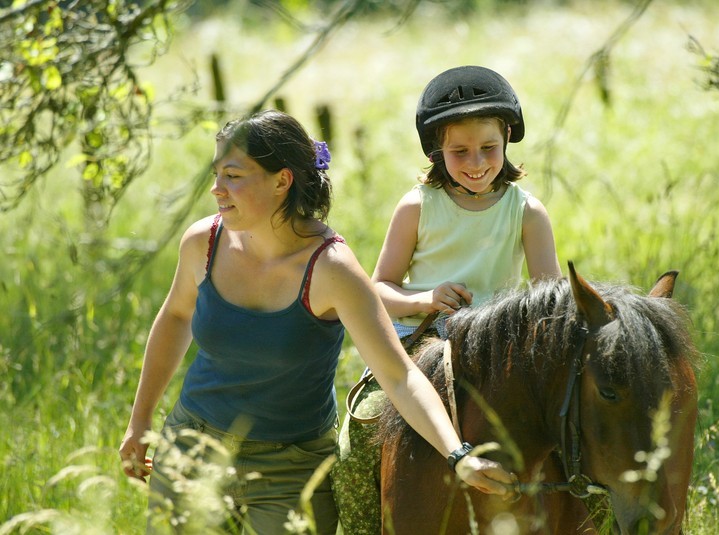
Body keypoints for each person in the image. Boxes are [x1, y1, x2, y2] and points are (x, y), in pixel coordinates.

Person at [118, 109, 514, 534]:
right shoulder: (203, 242)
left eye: (232, 176)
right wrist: (140, 422)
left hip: (292, 468)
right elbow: (177, 316)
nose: (217, 189)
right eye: (216, 174)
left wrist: (458, 455)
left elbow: (398, 375)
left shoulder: (331, 268)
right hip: (192, 448)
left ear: (281, 181)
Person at [331, 65, 562, 534]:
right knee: (359, 439)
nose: (476, 162)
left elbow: (551, 302)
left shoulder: (527, 212)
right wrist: (426, 299)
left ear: (508, 138)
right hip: (419, 347)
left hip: (500, 351)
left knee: (577, 426)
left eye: (488, 148)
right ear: (437, 150)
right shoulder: (417, 206)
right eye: (460, 151)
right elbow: (380, 290)